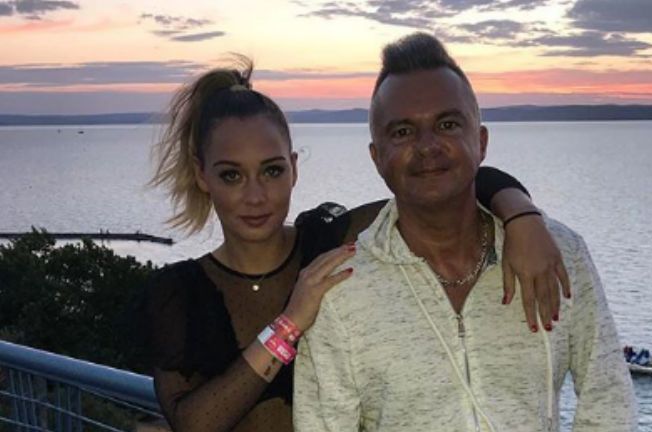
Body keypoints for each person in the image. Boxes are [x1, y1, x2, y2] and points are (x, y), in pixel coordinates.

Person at [141, 58, 570, 431]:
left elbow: (449, 189)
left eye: (271, 171)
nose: (255, 196)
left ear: (293, 168)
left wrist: (522, 216)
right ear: (202, 176)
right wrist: (290, 323)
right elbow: (193, 423)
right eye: (231, 175)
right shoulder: (179, 294)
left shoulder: (332, 242)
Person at [293, 33, 638, 431]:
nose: (427, 146)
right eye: (403, 132)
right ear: (377, 157)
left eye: (447, 124)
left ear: (481, 141)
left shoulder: (560, 254)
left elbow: (608, 398)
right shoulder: (342, 290)